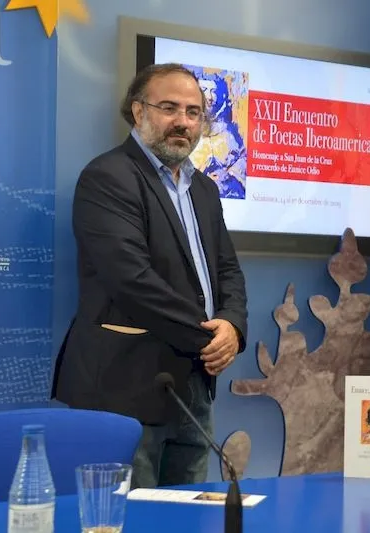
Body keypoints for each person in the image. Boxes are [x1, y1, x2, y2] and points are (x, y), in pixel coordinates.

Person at [51, 63, 248, 488]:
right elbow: (132, 279)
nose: (183, 121)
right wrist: (210, 339)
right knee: (129, 517)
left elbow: (227, 269)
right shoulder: (107, 177)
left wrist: (232, 326)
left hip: (193, 384)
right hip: (124, 388)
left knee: (187, 515)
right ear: (138, 112)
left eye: (194, 112)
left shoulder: (204, 189)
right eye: (169, 108)